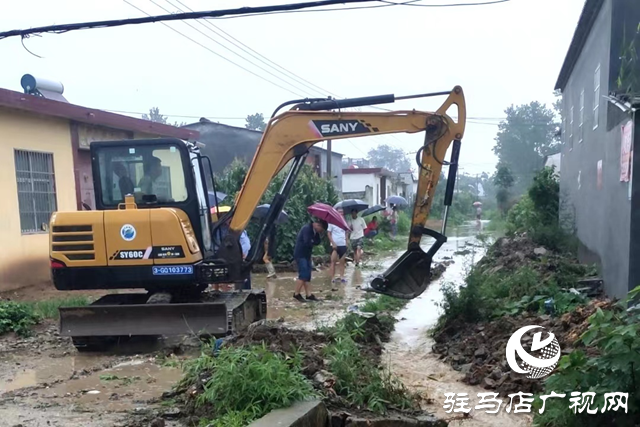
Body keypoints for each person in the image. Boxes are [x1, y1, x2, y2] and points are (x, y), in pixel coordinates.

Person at [293, 218, 328, 302]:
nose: (321, 231)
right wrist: (312, 240)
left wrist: (316, 237)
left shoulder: (314, 231)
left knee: (308, 276)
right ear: (318, 225)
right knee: (303, 274)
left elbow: (317, 241)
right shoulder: (307, 229)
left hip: (307, 255)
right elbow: (307, 242)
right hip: (301, 254)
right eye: (321, 229)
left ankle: (309, 295)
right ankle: (296, 294)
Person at [327, 208, 349, 283]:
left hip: (342, 244)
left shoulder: (344, 222)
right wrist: (332, 243)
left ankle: (342, 277)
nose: (341, 213)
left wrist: (347, 242)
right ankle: (333, 278)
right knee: (333, 261)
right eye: (339, 212)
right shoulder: (331, 222)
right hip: (334, 245)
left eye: (342, 212)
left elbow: (346, 233)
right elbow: (329, 233)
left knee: (342, 262)